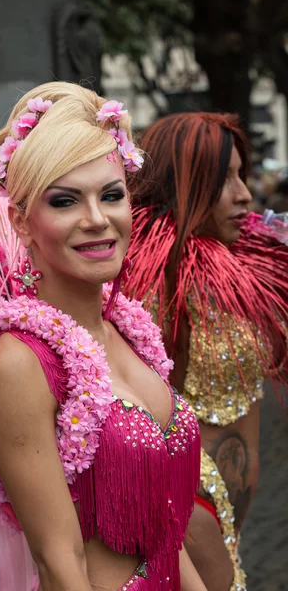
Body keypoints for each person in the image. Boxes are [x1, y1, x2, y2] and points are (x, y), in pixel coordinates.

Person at [0, 48, 205, 590]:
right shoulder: (17, 363)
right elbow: (59, 562)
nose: (97, 220)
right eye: (66, 201)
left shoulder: (133, 334)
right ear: (24, 223)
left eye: (112, 195)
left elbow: (169, 533)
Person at [123, 112, 288, 591]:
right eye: (224, 180)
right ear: (182, 186)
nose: (244, 194)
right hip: (188, 516)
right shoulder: (153, 277)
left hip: (229, 521)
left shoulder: (240, 267)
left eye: (242, 174)